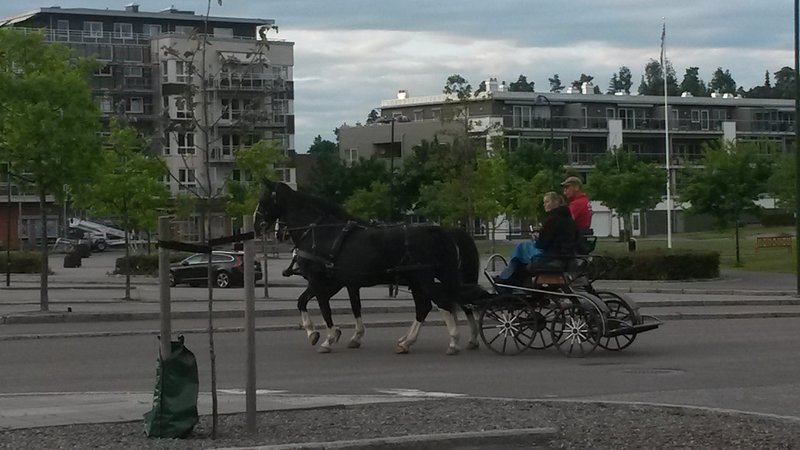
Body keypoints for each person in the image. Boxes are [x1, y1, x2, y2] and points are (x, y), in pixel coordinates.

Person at [528, 191, 579, 272]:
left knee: (522, 249)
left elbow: (542, 244)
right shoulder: (569, 219)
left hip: (553, 256)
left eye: (547, 202)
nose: (544, 204)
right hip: (568, 256)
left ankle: (507, 278)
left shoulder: (552, 220)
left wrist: (537, 238)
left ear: (556, 202)